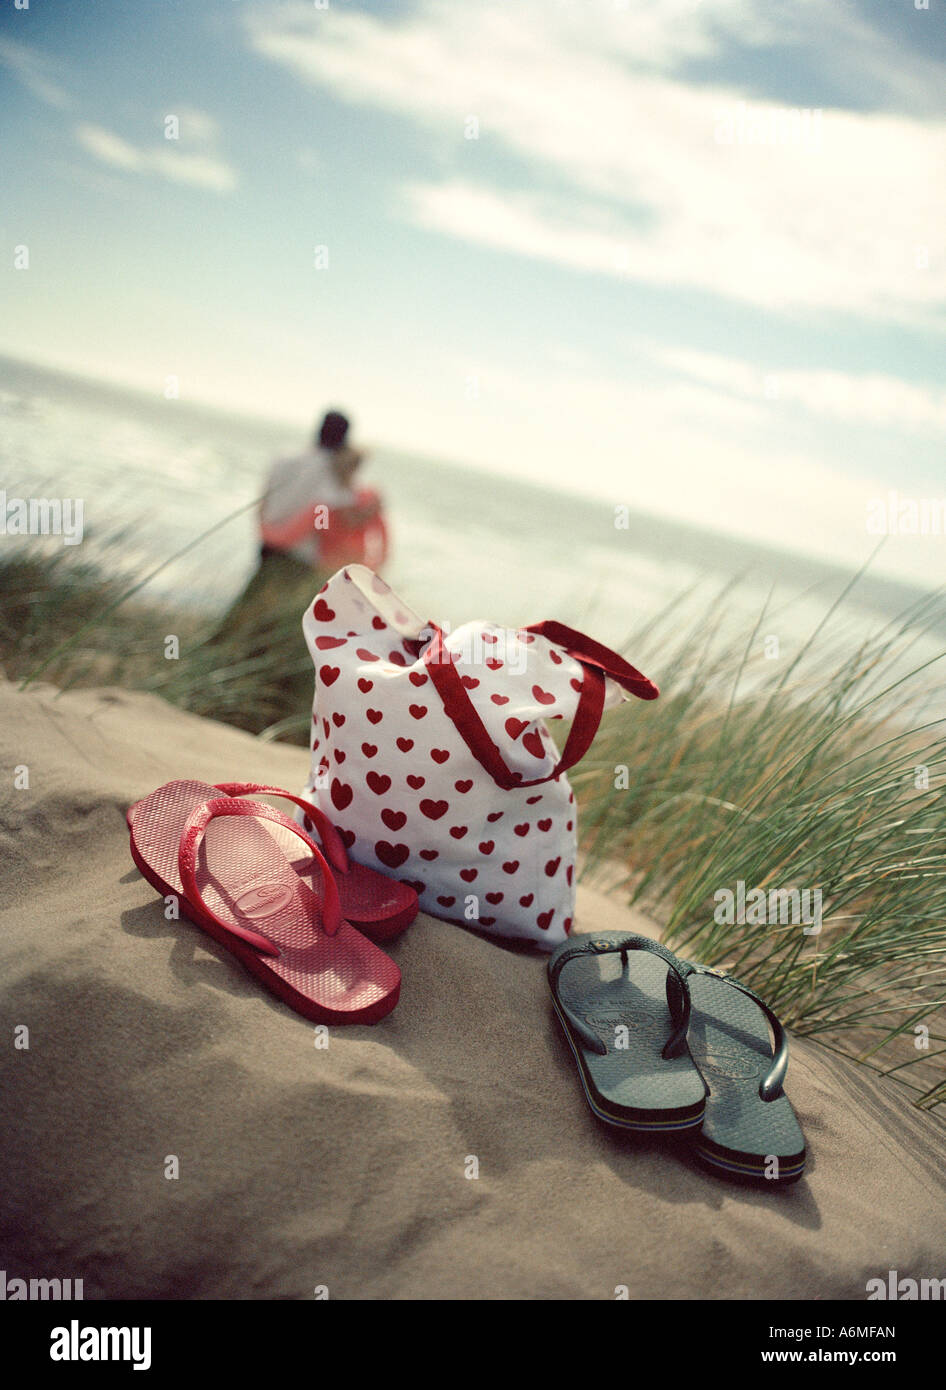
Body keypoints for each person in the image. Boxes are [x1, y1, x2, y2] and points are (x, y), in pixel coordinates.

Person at [259, 410, 386, 570]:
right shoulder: (333, 471)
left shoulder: (283, 457)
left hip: (267, 543)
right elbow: (327, 521)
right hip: (302, 556)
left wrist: (264, 530)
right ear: (344, 438)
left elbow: (263, 500)